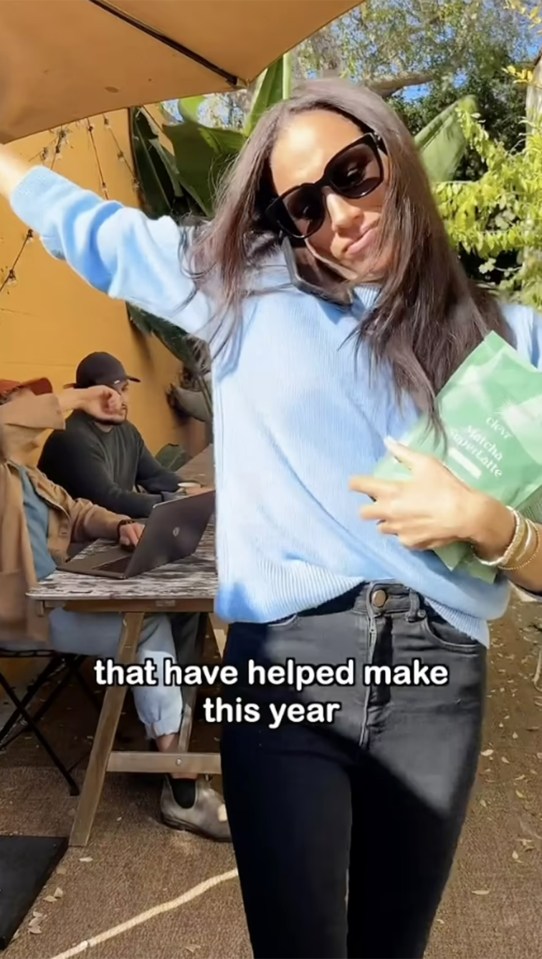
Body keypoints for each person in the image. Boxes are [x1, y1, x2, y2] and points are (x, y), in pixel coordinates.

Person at [2, 78, 542, 958]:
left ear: (394, 156)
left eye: (353, 173)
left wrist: (493, 526)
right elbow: (95, 234)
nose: (339, 214)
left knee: (391, 946)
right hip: (288, 664)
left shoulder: (512, 341)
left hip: (436, 680)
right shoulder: (242, 293)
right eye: (304, 204)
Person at [0, 377, 229, 843]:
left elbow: (79, 509)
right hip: (28, 613)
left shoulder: (23, 474)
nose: (43, 417)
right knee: (144, 628)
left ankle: (167, 734)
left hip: (62, 591)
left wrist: (122, 524)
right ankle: (180, 785)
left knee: (176, 612)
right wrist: (83, 397)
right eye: (31, 404)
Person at [38, 351, 187, 519]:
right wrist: (174, 502)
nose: (120, 400)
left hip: (110, 530)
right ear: (87, 396)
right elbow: (108, 500)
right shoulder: (72, 438)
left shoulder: (127, 431)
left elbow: (154, 475)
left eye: (124, 389)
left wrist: (190, 490)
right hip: (72, 540)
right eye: (107, 393)